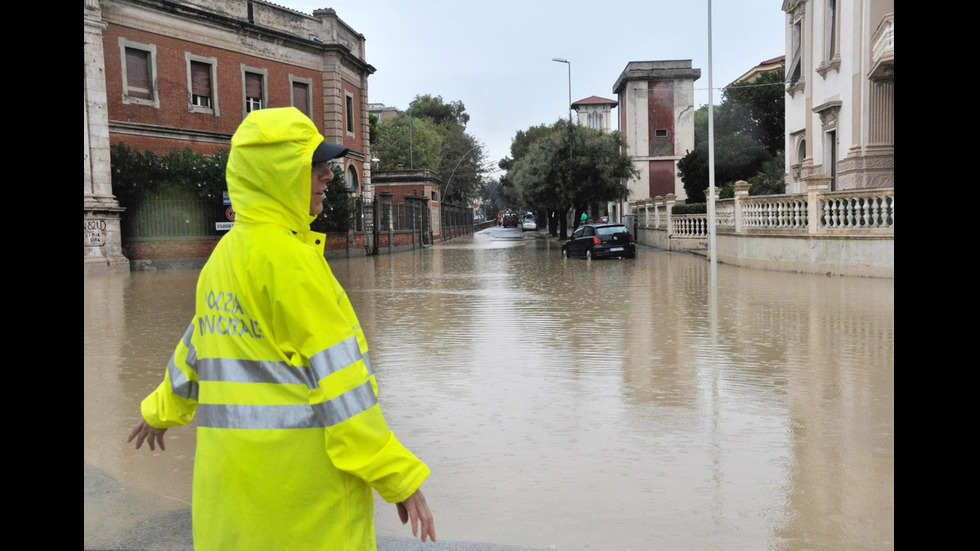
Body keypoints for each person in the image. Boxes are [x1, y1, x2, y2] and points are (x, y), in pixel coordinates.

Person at [127, 106, 436, 550]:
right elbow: (343, 392)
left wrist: (158, 412)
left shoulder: (222, 258)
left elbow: (197, 351)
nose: (328, 177)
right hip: (302, 511)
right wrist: (398, 478)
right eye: (314, 166)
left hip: (230, 507)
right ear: (277, 175)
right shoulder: (293, 265)